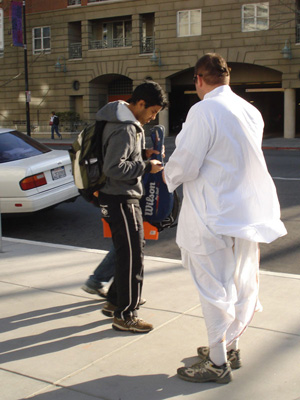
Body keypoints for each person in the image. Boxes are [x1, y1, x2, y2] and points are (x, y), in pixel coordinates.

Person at [164, 53, 287, 384]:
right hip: (246, 213)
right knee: (239, 283)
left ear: (199, 80)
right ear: (227, 78)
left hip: (212, 214)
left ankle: (217, 364)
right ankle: (230, 346)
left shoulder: (204, 110)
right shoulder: (251, 111)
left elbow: (186, 162)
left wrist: (166, 175)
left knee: (213, 288)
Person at [95, 81, 168, 333]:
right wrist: (147, 166)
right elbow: (114, 167)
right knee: (133, 256)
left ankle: (116, 301)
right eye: (152, 111)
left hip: (115, 196)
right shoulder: (125, 128)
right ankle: (126, 315)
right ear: (139, 103)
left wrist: (141, 154)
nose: (153, 117)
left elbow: (117, 157)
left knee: (127, 251)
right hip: (121, 198)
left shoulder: (116, 117)